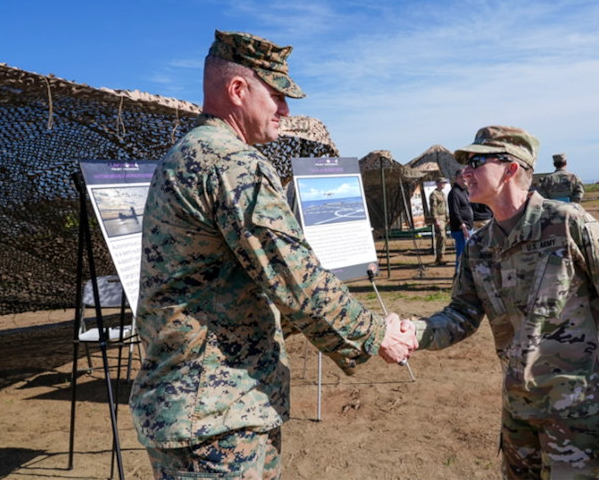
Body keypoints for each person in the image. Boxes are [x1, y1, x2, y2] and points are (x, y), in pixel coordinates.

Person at [130, 30, 418, 480]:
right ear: (238, 90)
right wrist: (377, 332)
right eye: (278, 95)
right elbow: (294, 276)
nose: (285, 110)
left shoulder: (187, 155)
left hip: (205, 406)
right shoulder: (230, 163)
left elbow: (236, 288)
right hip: (216, 416)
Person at [411, 126, 599, 479]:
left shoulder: (568, 224)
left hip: (580, 410)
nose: (465, 172)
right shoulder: (478, 246)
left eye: (475, 161)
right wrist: (413, 332)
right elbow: (462, 314)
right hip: (518, 409)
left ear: (511, 168)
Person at [448, 169, 474, 270]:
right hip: (461, 230)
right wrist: (463, 226)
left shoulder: (464, 192)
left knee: (467, 255)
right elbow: (455, 212)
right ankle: (459, 280)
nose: (468, 179)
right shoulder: (454, 193)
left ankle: (464, 279)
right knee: (462, 255)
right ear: (459, 178)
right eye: (465, 177)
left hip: (468, 228)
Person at [429, 177, 449, 265]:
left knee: (443, 238)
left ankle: (440, 256)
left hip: (444, 218)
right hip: (439, 218)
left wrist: (448, 217)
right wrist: (436, 219)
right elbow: (433, 208)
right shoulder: (434, 194)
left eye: (444, 183)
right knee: (442, 236)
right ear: (437, 183)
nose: (443, 184)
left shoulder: (443, 194)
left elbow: (445, 206)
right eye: (442, 183)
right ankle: (440, 256)